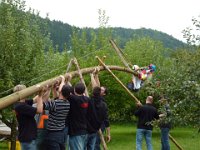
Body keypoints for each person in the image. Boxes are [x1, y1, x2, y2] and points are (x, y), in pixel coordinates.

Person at [44, 75, 71, 150]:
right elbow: (57, 98)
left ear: (60, 91)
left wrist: (48, 90)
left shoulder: (55, 103)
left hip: (52, 134)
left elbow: (42, 105)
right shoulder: (67, 103)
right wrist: (54, 89)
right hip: (61, 134)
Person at [14, 84, 43, 150]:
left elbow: (34, 100)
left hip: (27, 138)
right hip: (28, 139)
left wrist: (44, 90)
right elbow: (39, 110)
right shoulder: (21, 106)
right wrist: (40, 95)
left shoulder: (21, 103)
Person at [86, 72, 110, 150]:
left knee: (96, 144)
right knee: (94, 144)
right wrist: (96, 75)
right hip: (95, 124)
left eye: (102, 90)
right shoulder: (99, 101)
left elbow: (95, 87)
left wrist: (91, 76)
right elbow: (97, 87)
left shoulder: (100, 101)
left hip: (98, 124)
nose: (100, 89)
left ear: (103, 94)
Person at [68, 82, 90, 150]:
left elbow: (67, 91)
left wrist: (66, 80)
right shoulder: (87, 99)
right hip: (85, 130)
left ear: (74, 90)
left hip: (76, 131)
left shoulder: (73, 99)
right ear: (84, 91)